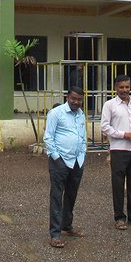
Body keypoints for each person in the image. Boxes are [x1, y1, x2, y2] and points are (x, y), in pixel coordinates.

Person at [100, 74, 131, 230]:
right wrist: (125, 134)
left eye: (127, 87)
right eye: (121, 87)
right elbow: (105, 127)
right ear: (116, 88)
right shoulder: (109, 105)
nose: (124, 90)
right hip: (118, 150)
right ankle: (119, 217)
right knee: (118, 184)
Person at [43, 86, 87, 249]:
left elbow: (82, 136)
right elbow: (48, 137)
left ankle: (66, 226)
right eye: (73, 98)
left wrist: (83, 153)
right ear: (67, 97)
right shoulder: (56, 113)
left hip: (77, 161)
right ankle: (55, 234)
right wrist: (56, 158)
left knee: (71, 195)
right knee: (56, 196)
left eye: (79, 99)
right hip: (60, 161)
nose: (76, 102)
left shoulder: (81, 114)